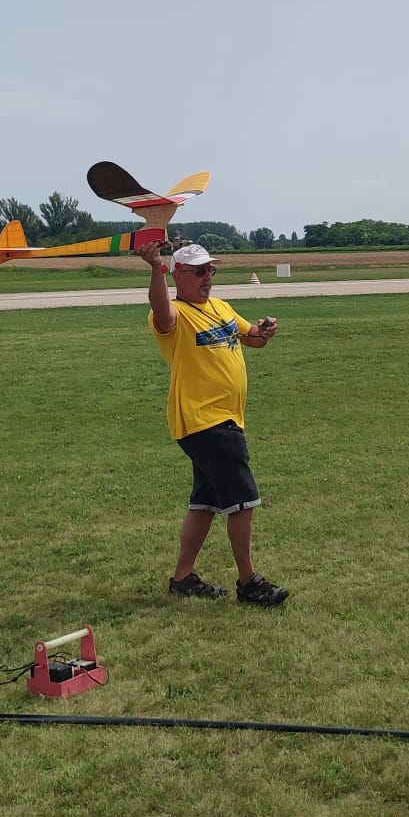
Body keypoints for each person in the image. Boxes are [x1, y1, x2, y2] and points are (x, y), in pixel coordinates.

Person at [139, 242, 287, 606]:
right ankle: (249, 582)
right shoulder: (175, 315)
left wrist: (264, 330)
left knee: (205, 502)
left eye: (211, 270)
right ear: (178, 275)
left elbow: (252, 338)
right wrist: (156, 268)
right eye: (199, 271)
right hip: (206, 420)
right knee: (243, 501)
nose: (207, 277)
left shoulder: (221, 307)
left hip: (225, 418)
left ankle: (182, 578)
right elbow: (160, 308)